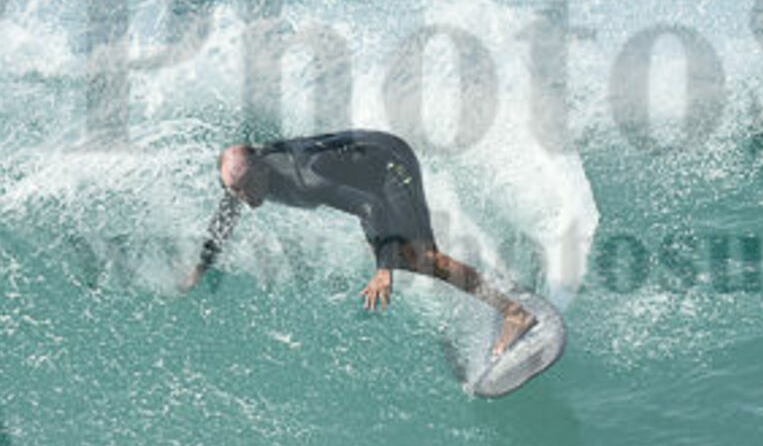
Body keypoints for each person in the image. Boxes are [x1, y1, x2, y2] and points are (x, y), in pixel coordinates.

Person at [181, 130, 538, 354]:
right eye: (235, 190)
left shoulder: (306, 179)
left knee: (421, 258)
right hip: (365, 172)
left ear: (261, 169)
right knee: (402, 254)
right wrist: (199, 268)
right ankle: (479, 285)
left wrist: (384, 269)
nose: (242, 198)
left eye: (246, 188)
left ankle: (516, 314)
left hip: (390, 166)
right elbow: (223, 220)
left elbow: (370, 207)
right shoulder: (243, 175)